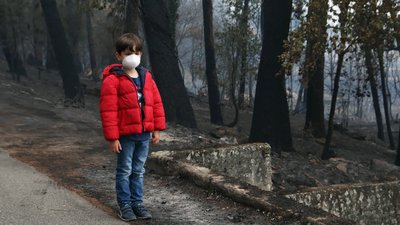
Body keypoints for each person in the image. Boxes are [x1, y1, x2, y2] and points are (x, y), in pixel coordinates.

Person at [99, 33, 166, 221]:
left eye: (136, 53)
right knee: (125, 170)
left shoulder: (146, 76)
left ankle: (137, 202)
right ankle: (125, 205)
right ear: (118, 55)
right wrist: (113, 137)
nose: (133, 57)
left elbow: (156, 103)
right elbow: (108, 111)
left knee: (138, 170)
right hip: (125, 136)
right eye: (128, 53)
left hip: (144, 135)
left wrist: (157, 128)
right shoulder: (113, 80)